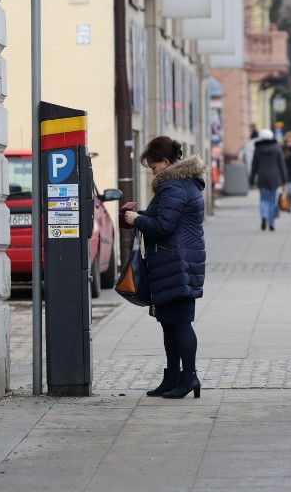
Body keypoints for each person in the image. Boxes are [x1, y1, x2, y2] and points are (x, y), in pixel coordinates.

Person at [123, 136, 206, 399]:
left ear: (166, 162)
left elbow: (164, 226)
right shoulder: (180, 184)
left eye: (153, 165)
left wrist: (137, 220)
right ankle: (172, 377)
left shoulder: (173, 187)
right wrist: (140, 217)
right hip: (174, 262)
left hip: (176, 263)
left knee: (180, 323)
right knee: (168, 322)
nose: (152, 170)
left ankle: (189, 377)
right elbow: (165, 218)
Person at [250, 128, 288, 231]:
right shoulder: (276, 148)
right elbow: (282, 165)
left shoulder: (257, 148)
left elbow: (254, 165)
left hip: (262, 177)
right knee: (272, 201)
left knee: (263, 199)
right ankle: (271, 224)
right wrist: (284, 181)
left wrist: (251, 181)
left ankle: (264, 216)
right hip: (274, 178)